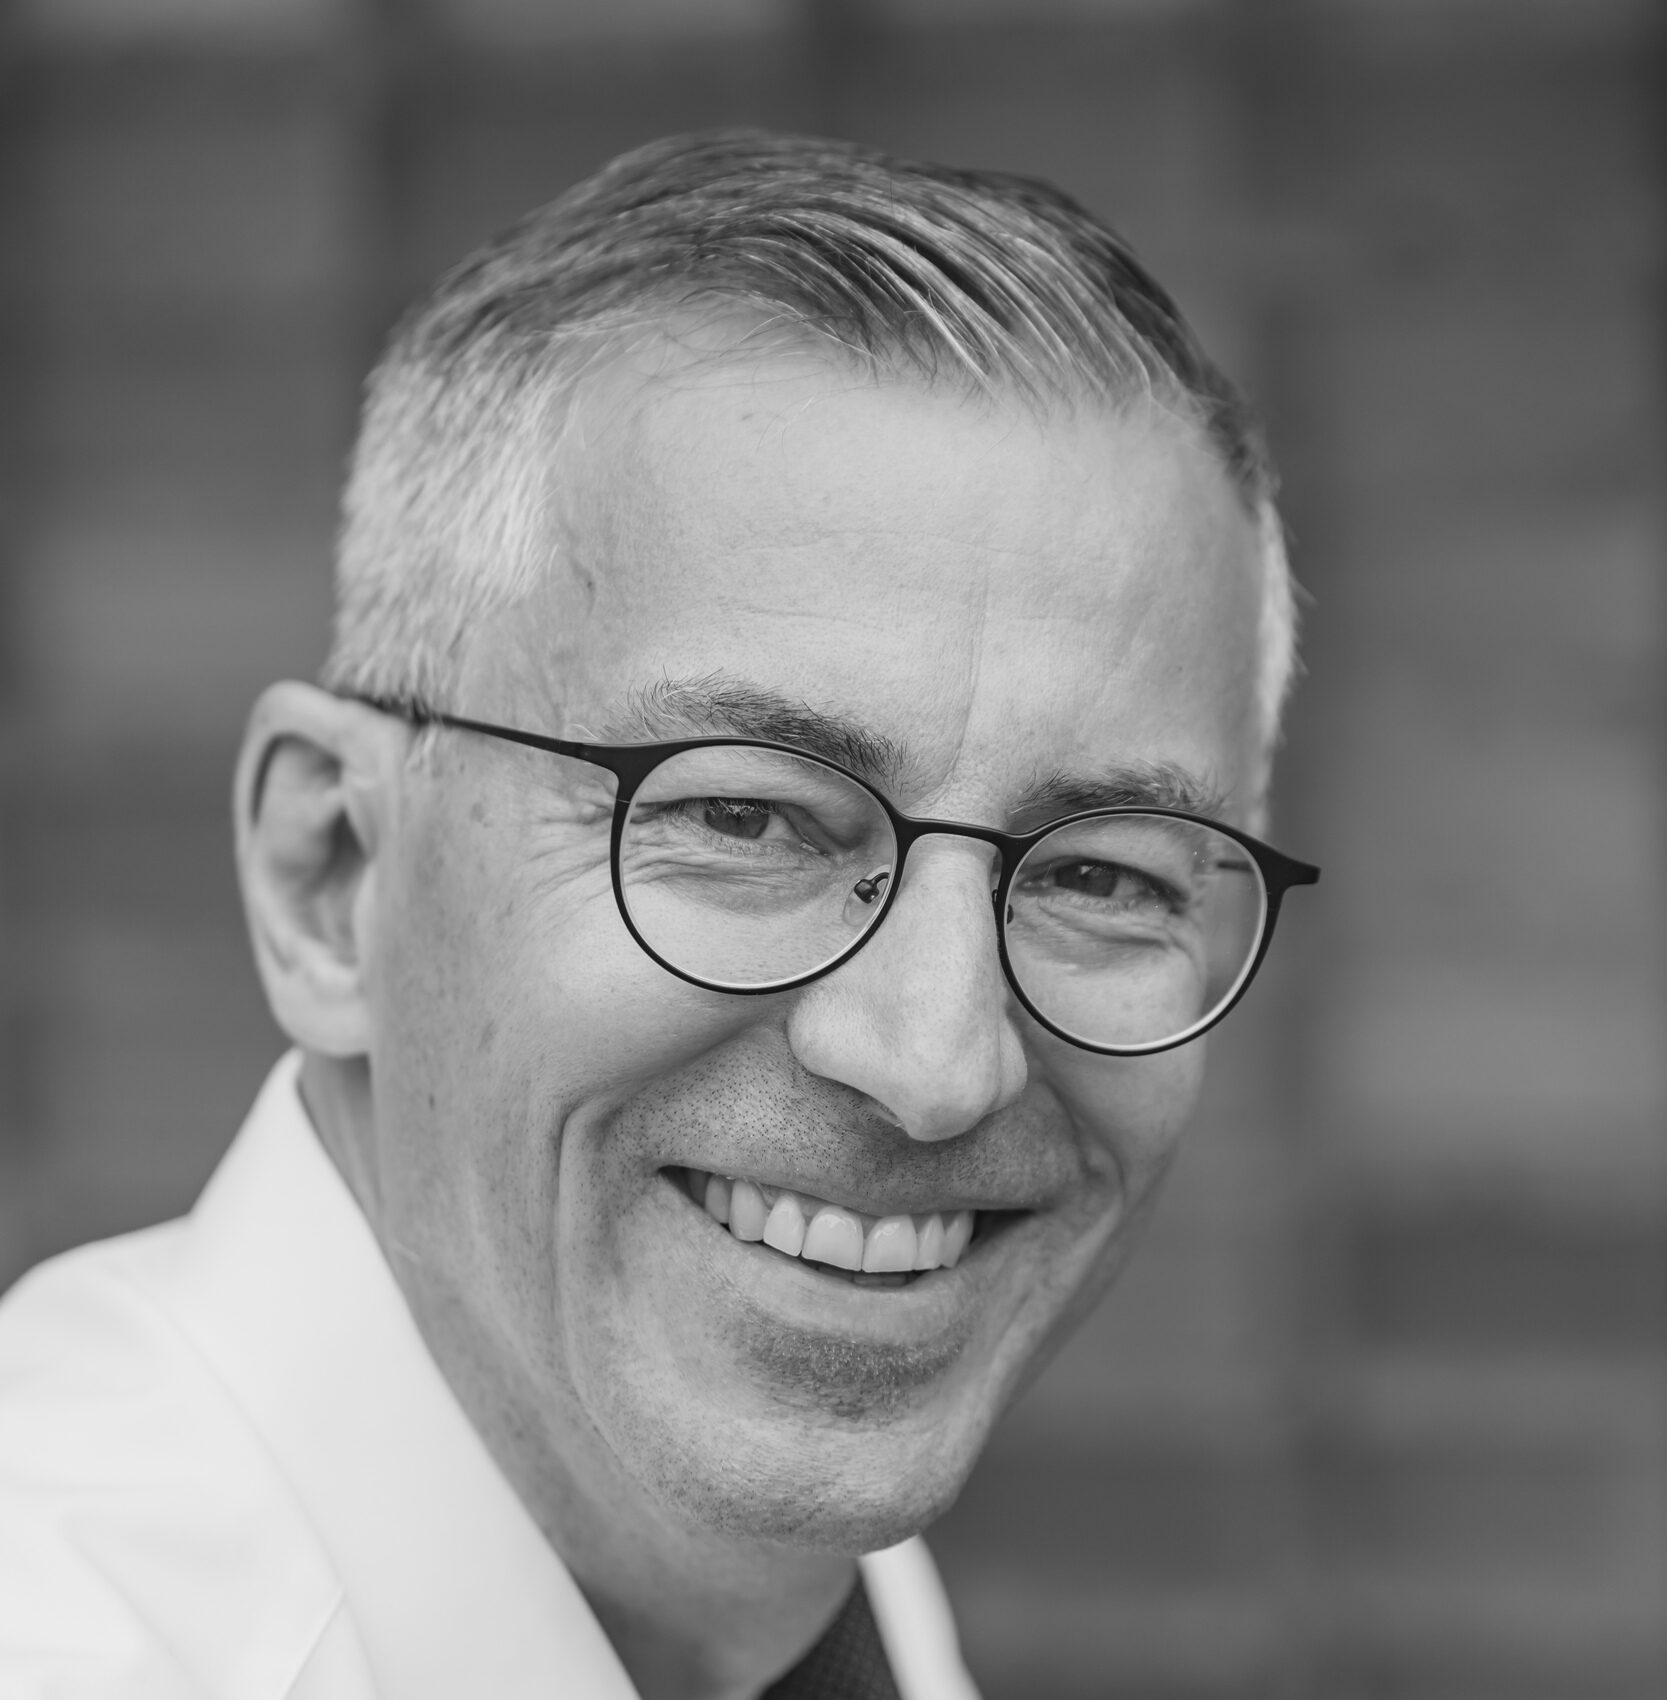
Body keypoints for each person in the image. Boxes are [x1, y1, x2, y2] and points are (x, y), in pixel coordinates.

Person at [0, 130, 1317, 1699]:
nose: (936, 1061)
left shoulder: (775, 1579)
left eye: (1099, 875)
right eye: (744, 817)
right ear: (333, 874)